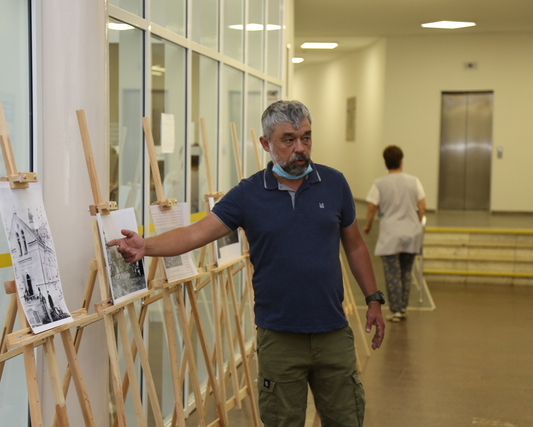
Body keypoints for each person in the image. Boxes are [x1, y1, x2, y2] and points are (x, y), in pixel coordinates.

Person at [109, 100, 385, 426]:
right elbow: (197, 232)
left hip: (333, 333)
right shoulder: (248, 194)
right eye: (288, 139)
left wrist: (373, 298)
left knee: (347, 419)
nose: (300, 148)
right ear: (266, 143)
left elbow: (355, 246)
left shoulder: (334, 183)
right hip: (279, 337)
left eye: (306, 138)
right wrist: (147, 246)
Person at [362, 145, 426, 323]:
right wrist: (417, 222)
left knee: (392, 274)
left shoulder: (379, 184)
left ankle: (396, 310)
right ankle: (403, 307)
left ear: (385, 163)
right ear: (401, 161)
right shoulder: (414, 181)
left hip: (390, 235)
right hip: (411, 234)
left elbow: (372, 207)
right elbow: (422, 205)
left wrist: (368, 225)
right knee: (406, 272)